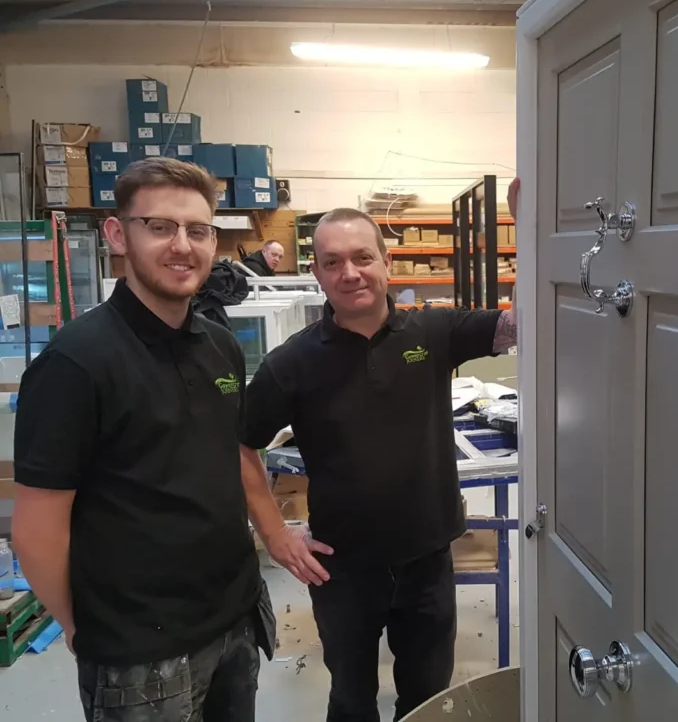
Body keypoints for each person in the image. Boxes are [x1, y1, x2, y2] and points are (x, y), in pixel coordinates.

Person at [239, 178, 520, 722]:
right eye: (333, 262)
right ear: (317, 272)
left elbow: (519, 327)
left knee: (430, 700)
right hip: (341, 570)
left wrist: (529, 226)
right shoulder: (292, 363)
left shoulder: (435, 331)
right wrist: (274, 534)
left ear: (385, 262)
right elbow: (241, 445)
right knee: (350, 700)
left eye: (362, 257)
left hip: (427, 560)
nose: (350, 273)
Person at [12, 158, 274, 722]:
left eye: (198, 230)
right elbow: (36, 528)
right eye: (160, 227)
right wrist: (85, 626)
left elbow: (229, 457)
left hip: (233, 620)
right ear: (117, 235)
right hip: (140, 651)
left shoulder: (220, 347)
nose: (183, 245)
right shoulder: (76, 363)